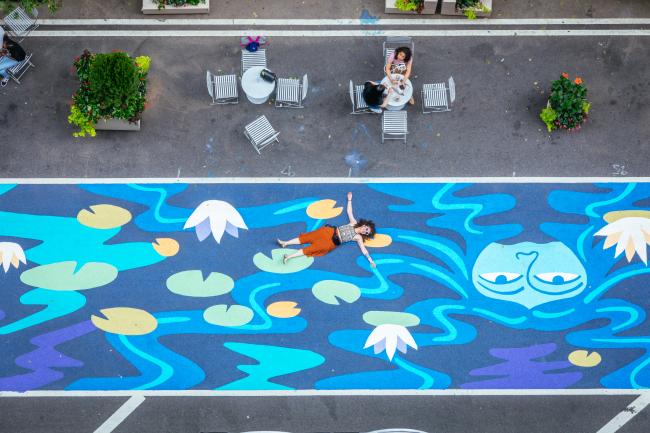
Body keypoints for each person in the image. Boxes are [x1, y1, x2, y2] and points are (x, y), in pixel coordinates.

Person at [277, 192, 377, 268]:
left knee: (310, 249)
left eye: (367, 233)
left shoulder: (358, 237)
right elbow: (349, 212)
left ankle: (288, 257)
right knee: (306, 238)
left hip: (331, 243)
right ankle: (285, 243)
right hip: (328, 232)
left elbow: (363, 249)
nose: (365, 231)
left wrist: (370, 260)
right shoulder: (353, 223)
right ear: (365, 225)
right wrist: (349, 200)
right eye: (367, 228)